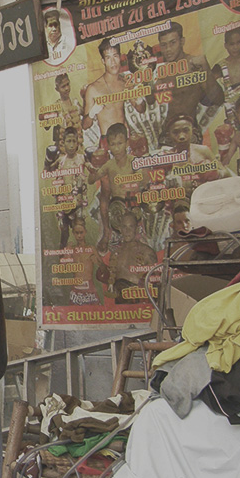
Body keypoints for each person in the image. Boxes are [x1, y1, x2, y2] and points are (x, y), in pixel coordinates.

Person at [156, 21, 224, 128]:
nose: (168, 49)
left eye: (173, 43)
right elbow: (150, 101)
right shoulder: (161, 70)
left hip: (190, 129)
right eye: (164, 45)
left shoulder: (195, 65)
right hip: (167, 130)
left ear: (182, 41)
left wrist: (206, 69)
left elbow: (219, 99)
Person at [87, 123, 143, 252]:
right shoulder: (108, 165)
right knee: (103, 200)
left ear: (127, 143)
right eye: (113, 144)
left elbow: (142, 181)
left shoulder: (134, 161)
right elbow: (91, 181)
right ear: (108, 146)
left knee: (138, 244)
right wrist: (93, 173)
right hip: (116, 211)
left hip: (133, 207)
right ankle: (107, 234)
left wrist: (132, 184)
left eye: (120, 143)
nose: (116, 148)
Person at [82, 38, 146, 137]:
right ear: (103, 61)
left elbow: (141, 109)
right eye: (108, 58)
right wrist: (92, 113)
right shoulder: (93, 89)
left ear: (120, 57)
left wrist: (139, 99)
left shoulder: (125, 82)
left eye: (115, 56)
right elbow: (85, 125)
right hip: (107, 141)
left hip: (125, 139)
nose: (113, 62)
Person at [106, 210, 158, 303]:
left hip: (140, 305)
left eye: (131, 226)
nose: (127, 231)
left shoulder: (147, 252)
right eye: (124, 227)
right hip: (121, 307)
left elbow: (156, 284)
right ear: (120, 229)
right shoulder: (115, 254)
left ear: (137, 229)